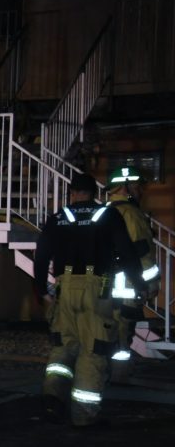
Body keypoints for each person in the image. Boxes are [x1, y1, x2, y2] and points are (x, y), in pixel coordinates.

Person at [34, 172, 147, 427]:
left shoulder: (58, 217)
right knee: (93, 350)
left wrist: (41, 289)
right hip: (97, 290)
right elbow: (127, 252)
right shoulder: (108, 215)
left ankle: (53, 398)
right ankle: (84, 415)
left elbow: (41, 256)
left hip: (63, 288)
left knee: (63, 345)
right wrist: (139, 284)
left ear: (72, 193)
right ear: (94, 194)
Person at [105, 166, 160, 377]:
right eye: (137, 187)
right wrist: (150, 283)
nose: (140, 191)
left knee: (109, 329)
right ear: (124, 188)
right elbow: (142, 251)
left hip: (108, 286)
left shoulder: (105, 211)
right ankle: (119, 373)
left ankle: (107, 370)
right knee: (124, 330)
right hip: (129, 285)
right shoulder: (131, 213)